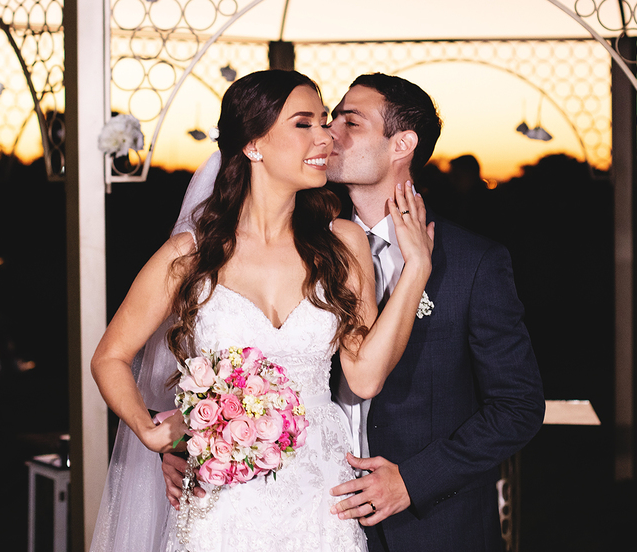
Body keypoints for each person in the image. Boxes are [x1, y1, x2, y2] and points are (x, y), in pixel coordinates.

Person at [88, 70, 435, 552]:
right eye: (304, 124)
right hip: (223, 507)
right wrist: (152, 433)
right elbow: (109, 357)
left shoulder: (342, 242)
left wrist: (417, 269)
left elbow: (366, 376)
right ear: (253, 144)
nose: (325, 137)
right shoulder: (190, 255)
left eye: (324, 121)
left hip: (321, 502)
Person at [326, 73, 545, 552]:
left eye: (351, 122)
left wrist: (413, 481)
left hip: (435, 529)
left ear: (402, 144)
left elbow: (518, 407)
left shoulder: (473, 262)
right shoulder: (309, 251)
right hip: (320, 514)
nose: (330, 132)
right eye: (331, 118)